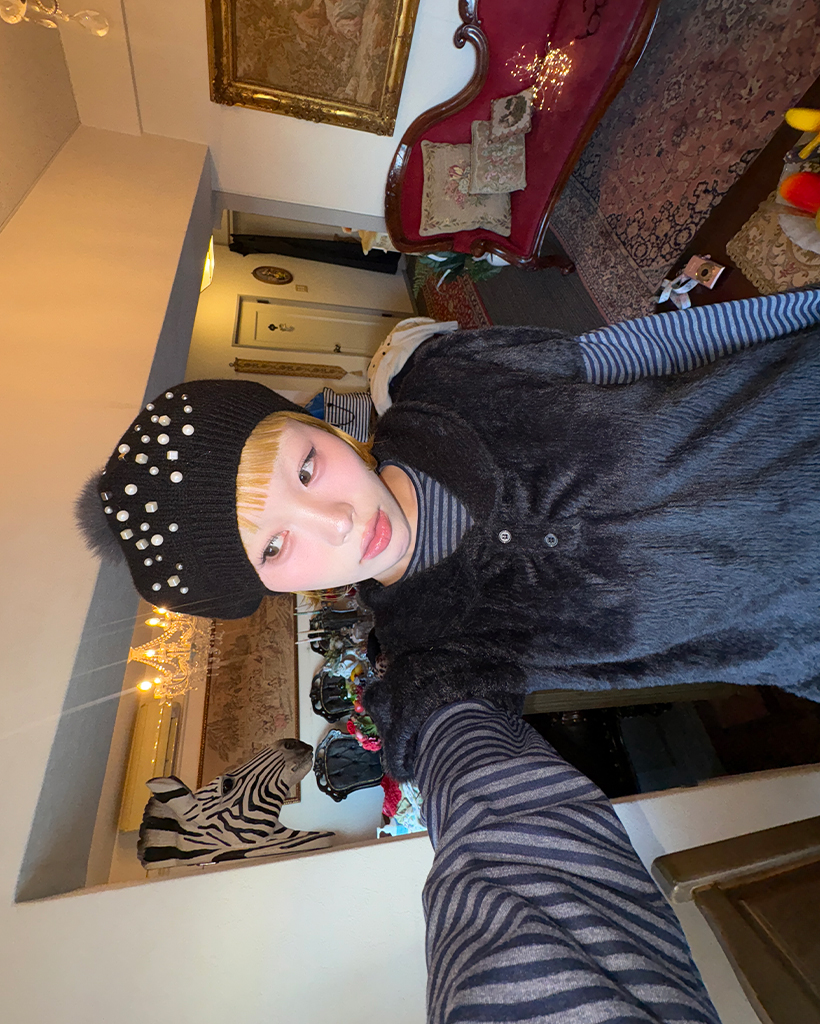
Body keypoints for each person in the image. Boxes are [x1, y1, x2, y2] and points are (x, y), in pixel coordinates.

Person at [78, 290, 820, 782]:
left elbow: (653, 349)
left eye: (305, 468)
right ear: (266, 589)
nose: (336, 520)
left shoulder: (450, 382)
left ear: (314, 424)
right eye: (273, 547)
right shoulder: (433, 658)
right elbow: (460, 760)